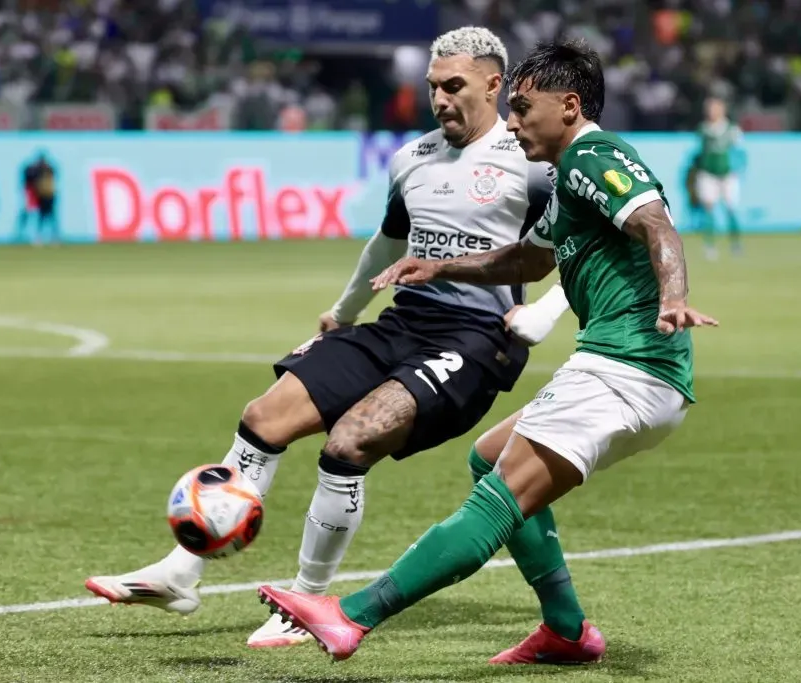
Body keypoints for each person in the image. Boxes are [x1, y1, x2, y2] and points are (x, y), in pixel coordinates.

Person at [85, 27, 596, 657]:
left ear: (495, 83)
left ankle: (306, 600)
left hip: (477, 340)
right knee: (263, 415)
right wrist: (343, 312)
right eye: (433, 86)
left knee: (350, 439)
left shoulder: (533, 162)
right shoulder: (413, 158)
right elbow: (385, 245)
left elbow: (583, 250)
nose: (439, 98)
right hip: (403, 321)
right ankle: (181, 572)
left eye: (454, 85)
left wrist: (541, 316)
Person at [256, 38, 719, 663]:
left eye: (525, 107)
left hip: (625, 370)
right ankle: (564, 628)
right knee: (489, 457)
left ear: (570, 105)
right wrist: (441, 266)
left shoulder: (596, 154)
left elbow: (655, 221)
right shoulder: (567, 180)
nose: (514, 121)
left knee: (495, 500)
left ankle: (352, 615)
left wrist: (673, 296)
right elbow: (526, 257)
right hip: (635, 375)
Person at [694, 96, 744, 259]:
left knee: (731, 208)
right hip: (708, 174)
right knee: (709, 209)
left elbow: (740, 152)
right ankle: (710, 246)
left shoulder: (732, 129)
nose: (711, 112)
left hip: (728, 175)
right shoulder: (703, 129)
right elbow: (699, 152)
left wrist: (736, 167)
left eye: (714, 108)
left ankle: (735, 244)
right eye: (709, 108)